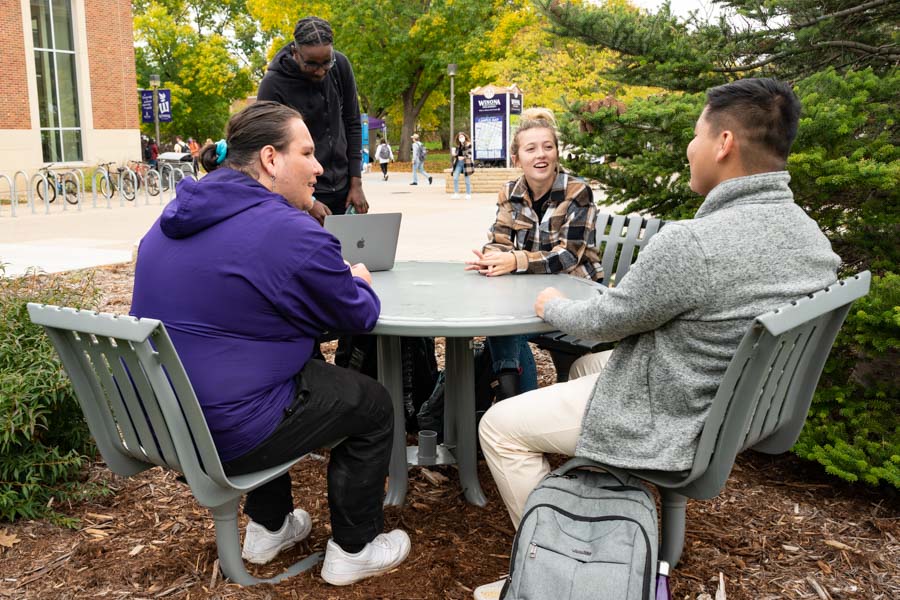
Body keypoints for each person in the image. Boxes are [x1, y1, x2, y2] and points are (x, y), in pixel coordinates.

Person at [475, 81, 841, 591]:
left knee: (498, 427)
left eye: (696, 135)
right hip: (732, 403)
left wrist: (550, 305)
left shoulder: (695, 243)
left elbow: (604, 321)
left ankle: (561, 570)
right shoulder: (809, 235)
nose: (690, 148)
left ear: (724, 144)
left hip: (675, 411)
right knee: (583, 368)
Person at [130, 101, 410, 586]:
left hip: (162, 423)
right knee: (373, 404)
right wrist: (359, 278)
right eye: (307, 152)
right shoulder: (287, 230)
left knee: (284, 365)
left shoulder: (173, 217)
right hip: (227, 432)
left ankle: (269, 526)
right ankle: (354, 548)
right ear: (271, 159)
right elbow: (359, 314)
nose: (320, 167)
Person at [465, 108, 602, 400]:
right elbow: (500, 239)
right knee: (502, 324)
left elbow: (568, 257)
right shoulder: (510, 192)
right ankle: (514, 405)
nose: (541, 155)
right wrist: (490, 259)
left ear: (556, 153)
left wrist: (516, 260)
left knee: (504, 329)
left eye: (547, 147)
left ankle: (510, 404)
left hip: (576, 294)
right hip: (530, 292)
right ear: (517, 158)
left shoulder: (578, 192)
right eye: (531, 149)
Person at [257, 15, 368, 225]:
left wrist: (356, 183)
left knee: (351, 255)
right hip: (302, 193)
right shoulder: (273, 84)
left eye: (327, 62)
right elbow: (267, 150)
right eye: (311, 64)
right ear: (295, 53)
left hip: (345, 189)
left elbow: (352, 123)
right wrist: (309, 202)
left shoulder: (340, 66)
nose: (320, 71)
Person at [450, 131, 474, 200]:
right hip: (458, 163)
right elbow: (457, 155)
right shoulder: (458, 146)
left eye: (462, 136)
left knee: (467, 179)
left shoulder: (468, 144)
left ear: (465, 137)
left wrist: (463, 157)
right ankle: (456, 193)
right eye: (460, 137)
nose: (461, 138)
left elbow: (469, 154)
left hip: (466, 163)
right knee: (455, 178)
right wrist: (455, 154)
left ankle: (468, 194)